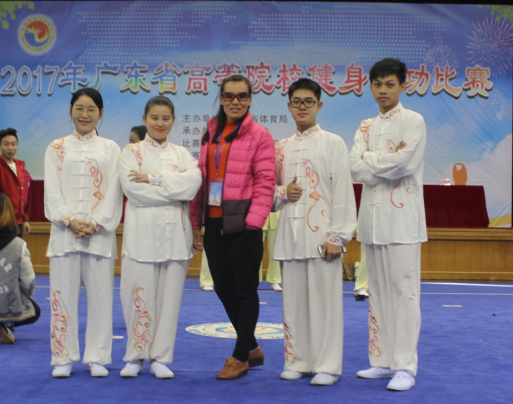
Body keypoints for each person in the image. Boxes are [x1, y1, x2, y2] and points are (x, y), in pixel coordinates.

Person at [272, 78, 357, 386]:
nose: (302, 107)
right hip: (290, 236)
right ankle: (297, 360)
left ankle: (327, 366)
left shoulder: (333, 142)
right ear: (289, 106)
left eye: (309, 101)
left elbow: (343, 191)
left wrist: (338, 236)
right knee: (293, 304)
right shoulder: (279, 148)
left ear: (319, 105)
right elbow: (266, 194)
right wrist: (283, 191)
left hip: (323, 237)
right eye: (297, 101)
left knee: (325, 305)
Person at [190, 74, 275, 380]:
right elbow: (201, 179)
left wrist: (254, 223)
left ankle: (240, 357)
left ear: (250, 99)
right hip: (213, 222)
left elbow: (266, 182)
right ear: (221, 98)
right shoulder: (210, 133)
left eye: (241, 96)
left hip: (244, 224)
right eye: (229, 96)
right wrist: (195, 221)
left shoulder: (260, 135)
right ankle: (251, 346)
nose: (235, 101)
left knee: (244, 290)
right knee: (224, 288)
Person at [349, 58, 427, 391]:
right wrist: (380, 162)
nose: (383, 90)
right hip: (372, 219)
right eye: (377, 84)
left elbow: (404, 164)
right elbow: (354, 167)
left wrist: (371, 160)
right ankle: (381, 360)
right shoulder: (366, 126)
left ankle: (405, 366)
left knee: (404, 293)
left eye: (390, 84)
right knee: (377, 293)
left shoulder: (413, 121)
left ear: (402, 86)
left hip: (402, 220)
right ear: (370, 86)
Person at [119, 96, 201, 379]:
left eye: (166, 118)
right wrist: (174, 190)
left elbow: (193, 185)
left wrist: (153, 178)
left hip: (176, 238)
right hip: (141, 237)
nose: (160, 123)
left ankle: (161, 358)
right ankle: (135, 356)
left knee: (169, 302)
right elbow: (134, 192)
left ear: (173, 121)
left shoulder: (182, 154)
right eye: (154, 117)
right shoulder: (131, 152)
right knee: (137, 298)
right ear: (145, 119)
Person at [44, 88, 123, 378]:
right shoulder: (55, 147)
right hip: (64, 235)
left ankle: (97, 357)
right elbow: (51, 190)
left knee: (101, 298)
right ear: (70, 110)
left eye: (91, 109)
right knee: (61, 297)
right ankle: (62, 357)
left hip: (98, 236)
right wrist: (69, 220)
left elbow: (114, 192)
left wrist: (96, 222)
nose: (85, 114)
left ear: (101, 113)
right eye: (79, 108)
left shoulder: (111, 148)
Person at [0, 194, 40, 344]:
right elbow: (28, 281)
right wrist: (27, 296)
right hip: (8, 305)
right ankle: (4, 322)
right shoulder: (19, 244)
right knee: (35, 310)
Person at [0, 128, 30, 237]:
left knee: (18, 248)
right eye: (6, 144)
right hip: (3, 222)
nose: (10, 148)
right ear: (0, 146)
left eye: (13, 144)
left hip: (18, 222)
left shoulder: (19, 165)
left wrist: (25, 219)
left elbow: (21, 196)